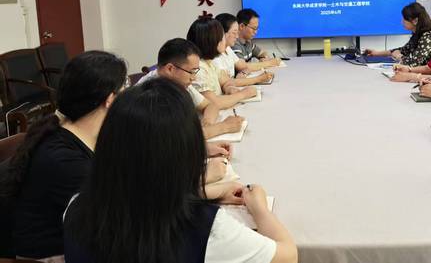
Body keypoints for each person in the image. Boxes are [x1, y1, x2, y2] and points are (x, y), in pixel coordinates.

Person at [63, 78, 298, 263]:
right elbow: (287, 256)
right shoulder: (205, 227)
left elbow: (143, 194)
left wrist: (206, 193)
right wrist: (260, 209)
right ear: (187, 150)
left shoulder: (76, 206)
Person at [0, 51, 127, 261]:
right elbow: (111, 227)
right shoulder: (65, 160)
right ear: (110, 100)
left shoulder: (70, 132)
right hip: (49, 256)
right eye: (125, 89)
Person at [136, 38, 244, 140]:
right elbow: (174, 139)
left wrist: (207, 122)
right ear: (170, 69)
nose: (194, 78)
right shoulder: (149, 93)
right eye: (191, 72)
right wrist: (223, 127)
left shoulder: (178, 82)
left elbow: (210, 105)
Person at [187, 17, 258, 109]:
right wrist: (243, 94)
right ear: (213, 41)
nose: (225, 39)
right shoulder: (198, 69)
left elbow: (226, 81)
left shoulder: (210, 62)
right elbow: (213, 103)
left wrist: (229, 88)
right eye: (222, 36)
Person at [365, 2, 431, 66]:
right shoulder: (417, 34)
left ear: (415, 21)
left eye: (404, 19)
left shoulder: (428, 36)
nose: (402, 21)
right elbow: (404, 50)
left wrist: (399, 56)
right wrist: (377, 53)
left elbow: (413, 62)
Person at [214, 13, 274, 86]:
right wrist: (259, 78)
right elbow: (227, 83)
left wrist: (243, 72)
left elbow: (244, 67)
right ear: (221, 34)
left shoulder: (228, 49)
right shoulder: (214, 57)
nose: (237, 36)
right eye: (234, 33)